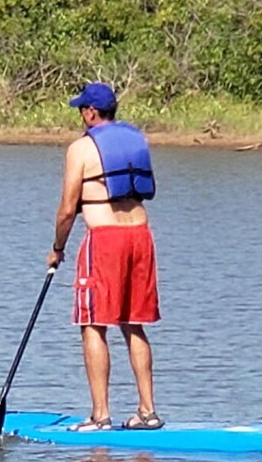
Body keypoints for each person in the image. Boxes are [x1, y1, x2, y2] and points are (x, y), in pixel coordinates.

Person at [46, 82, 164, 431]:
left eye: (82, 109)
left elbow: (68, 209)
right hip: (141, 237)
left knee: (93, 323)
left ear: (91, 112)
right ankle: (148, 412)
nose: (80, 115)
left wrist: (57, 249)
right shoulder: (136, 140)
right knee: (133, 323)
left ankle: (100, 416)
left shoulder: (80, 149)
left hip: (105, 241)